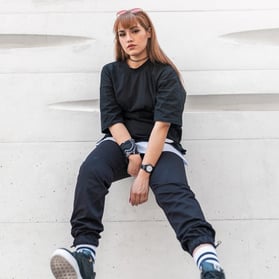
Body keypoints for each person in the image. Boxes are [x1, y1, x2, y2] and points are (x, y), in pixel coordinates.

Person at [50, 8, 226, 279]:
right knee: (91, 171)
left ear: (148, 33)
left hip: (160, 144)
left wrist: (145, 172)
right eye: (122, 33)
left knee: (172, 190)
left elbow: (162, 126)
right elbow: (112, 118)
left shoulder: (165, 74)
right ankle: (84, 254)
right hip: (121, 142)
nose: (128, 38)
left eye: (134, 31)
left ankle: (208, 262)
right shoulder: (110, 72)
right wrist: (130, 152)